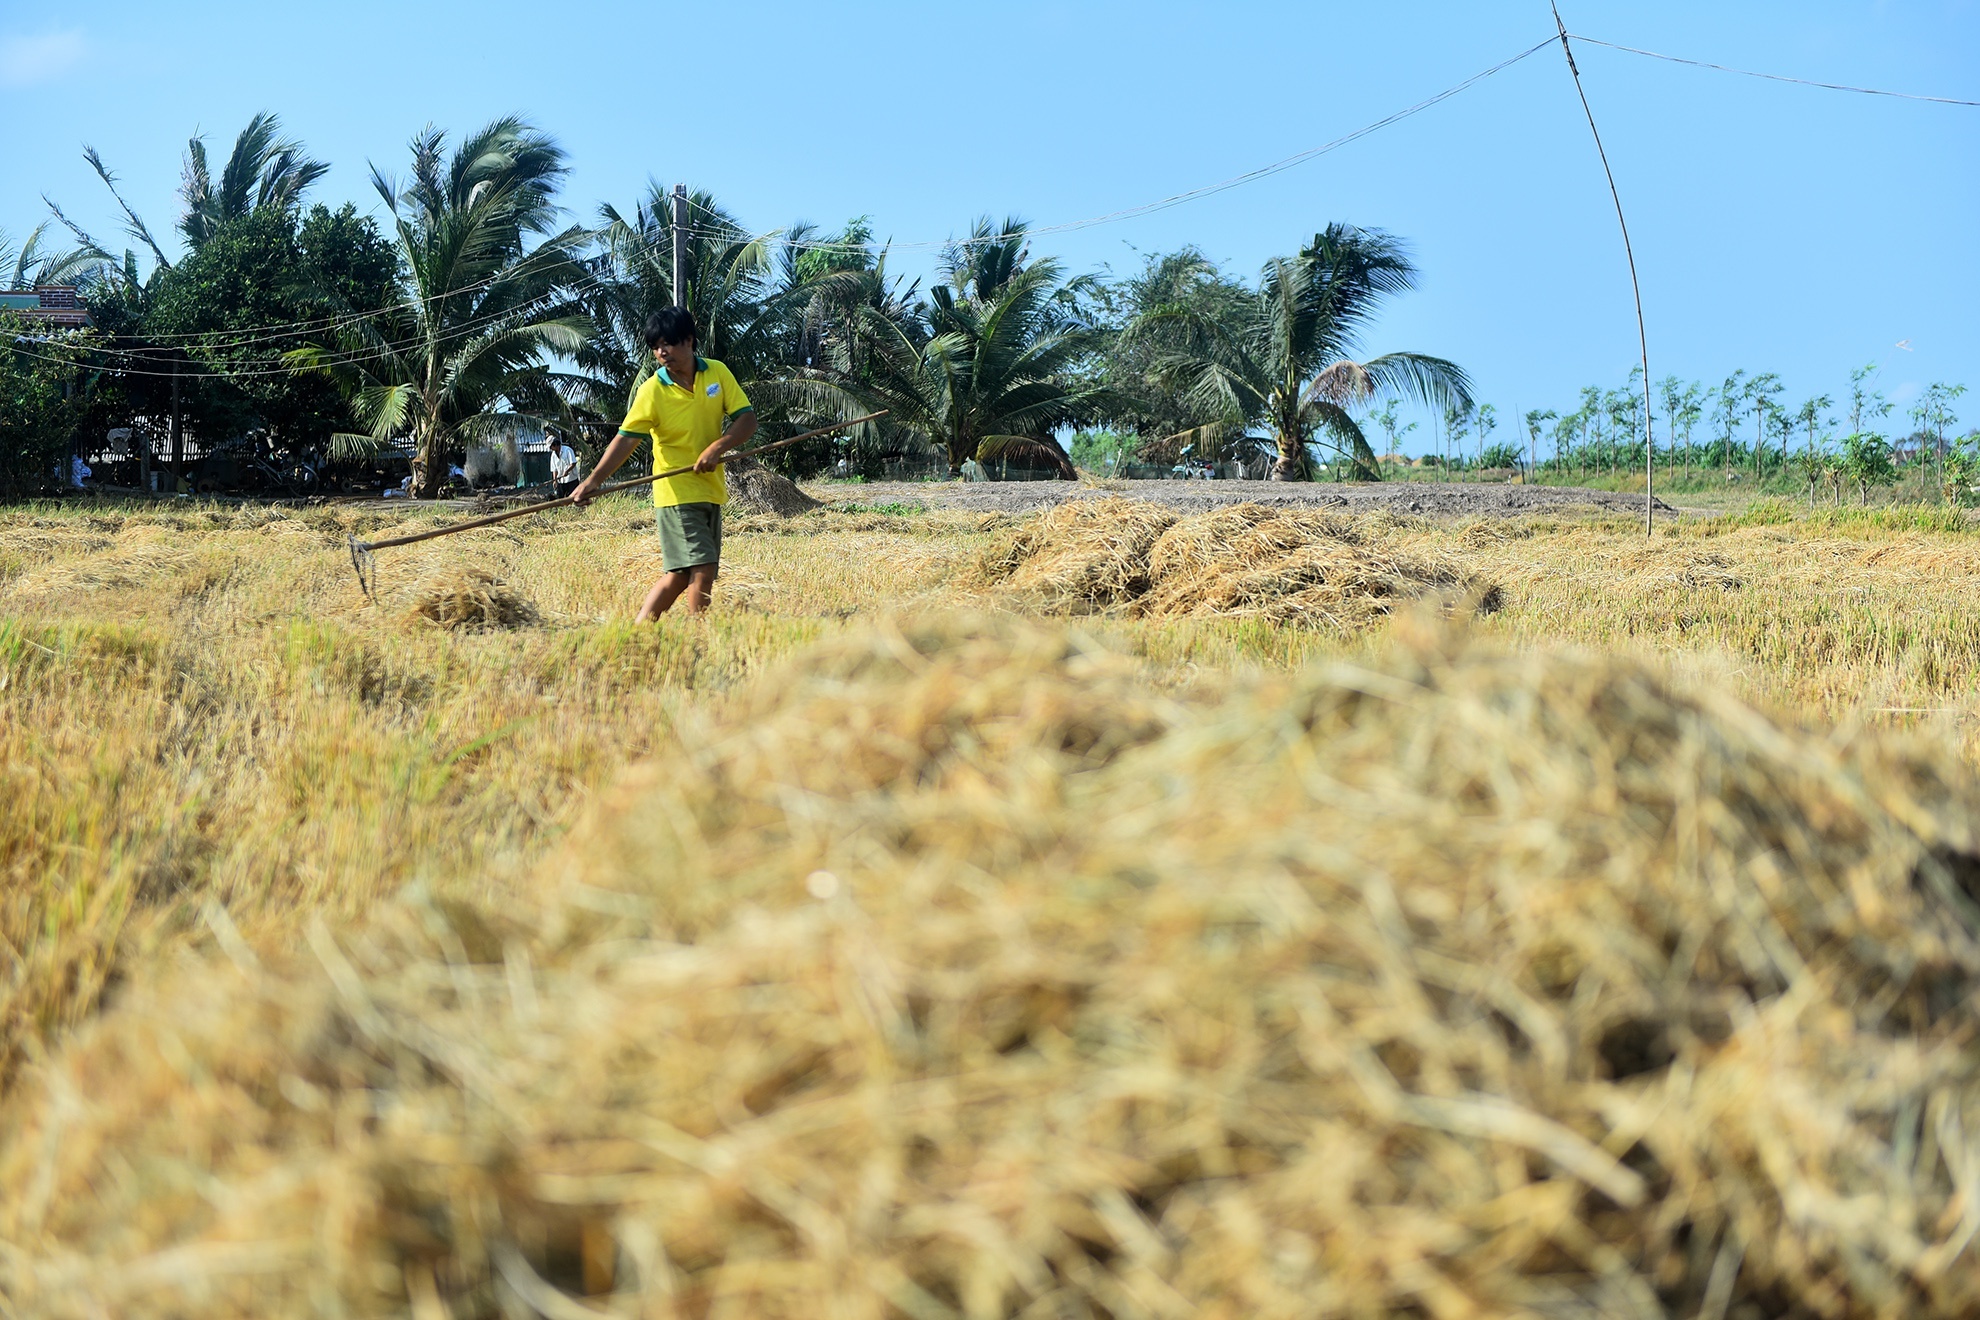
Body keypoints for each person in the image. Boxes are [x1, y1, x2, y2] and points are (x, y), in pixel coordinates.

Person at [569, 307, 756, 620]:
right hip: (676, 492)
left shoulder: (717, 373)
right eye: (655, 347)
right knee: (703, 568)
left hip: (710, 490)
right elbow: (626, 439)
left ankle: (640, 629)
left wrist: (718, 447)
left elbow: (746, 420)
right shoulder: (652, 391)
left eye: (667, 344)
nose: (661, 352)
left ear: (689, 340)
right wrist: (593, 481)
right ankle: (702, 635)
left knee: (681, 575)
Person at [549, 432, 580, 498]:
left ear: (555, 445)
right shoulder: (553, 455)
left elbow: (573, 463)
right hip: (561, 481)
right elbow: (554, 469)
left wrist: (567, 471)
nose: (551, 449)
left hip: (571, 480)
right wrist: (555, 480)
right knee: (561, 499)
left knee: (573, 498)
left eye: (551, 447)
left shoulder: (568, 450)